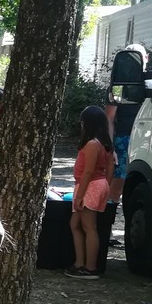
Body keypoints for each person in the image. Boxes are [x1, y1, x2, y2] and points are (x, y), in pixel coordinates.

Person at [65, 106, 115, 280]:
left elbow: (88, 171)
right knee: (75, 224)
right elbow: (110, 169)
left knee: (89, 226)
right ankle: (79, 263)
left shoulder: (93, 144)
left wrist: (81, 196)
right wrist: (105, 186)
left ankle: (90, 267)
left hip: (89, 186)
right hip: (92, 186)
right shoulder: (105, 145)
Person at [105, 45, 147, 202]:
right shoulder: (117, 87)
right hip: (124, 140)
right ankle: (106, 222)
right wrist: (110, 148)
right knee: (116, 187)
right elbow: (109, 118)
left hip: (147, 139)